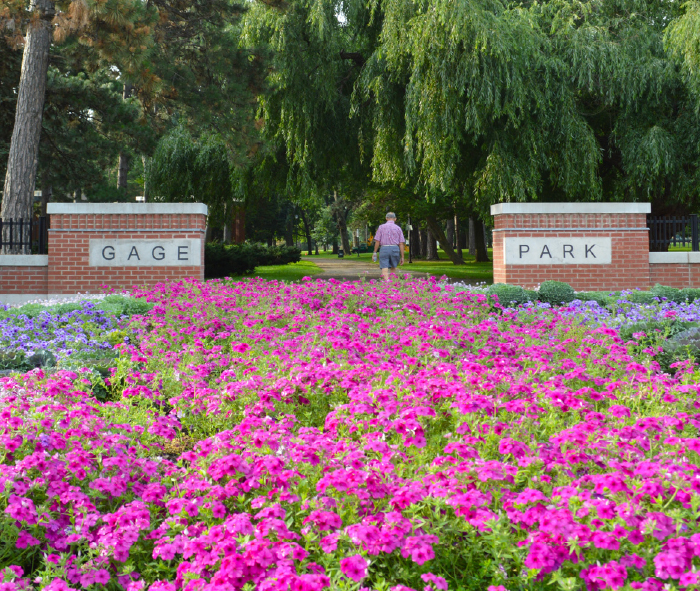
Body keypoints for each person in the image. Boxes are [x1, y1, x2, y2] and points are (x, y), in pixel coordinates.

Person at [372, 212, 405, 281]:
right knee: (393, 266)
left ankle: (386, 282)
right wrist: (402, 257)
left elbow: (377, 241)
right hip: (395, 248)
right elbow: (401, 243)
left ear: (386, 218)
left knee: (384, 266)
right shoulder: (398, 228)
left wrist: (375, 252)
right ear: (395, 219)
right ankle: (392, 282)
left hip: (384, 248)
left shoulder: (381, 227)